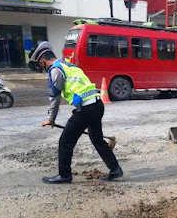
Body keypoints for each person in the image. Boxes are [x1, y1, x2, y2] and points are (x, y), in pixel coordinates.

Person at [29, 42, 123, 184]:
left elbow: (54, 97)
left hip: (85, 109)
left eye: (39, 64)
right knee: (97, 139)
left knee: (66, 141)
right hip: (97, 104)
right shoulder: (70, 66)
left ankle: (64, 175)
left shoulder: (55, 71)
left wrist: (51, 118)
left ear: (42, 61)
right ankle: (115, 169)